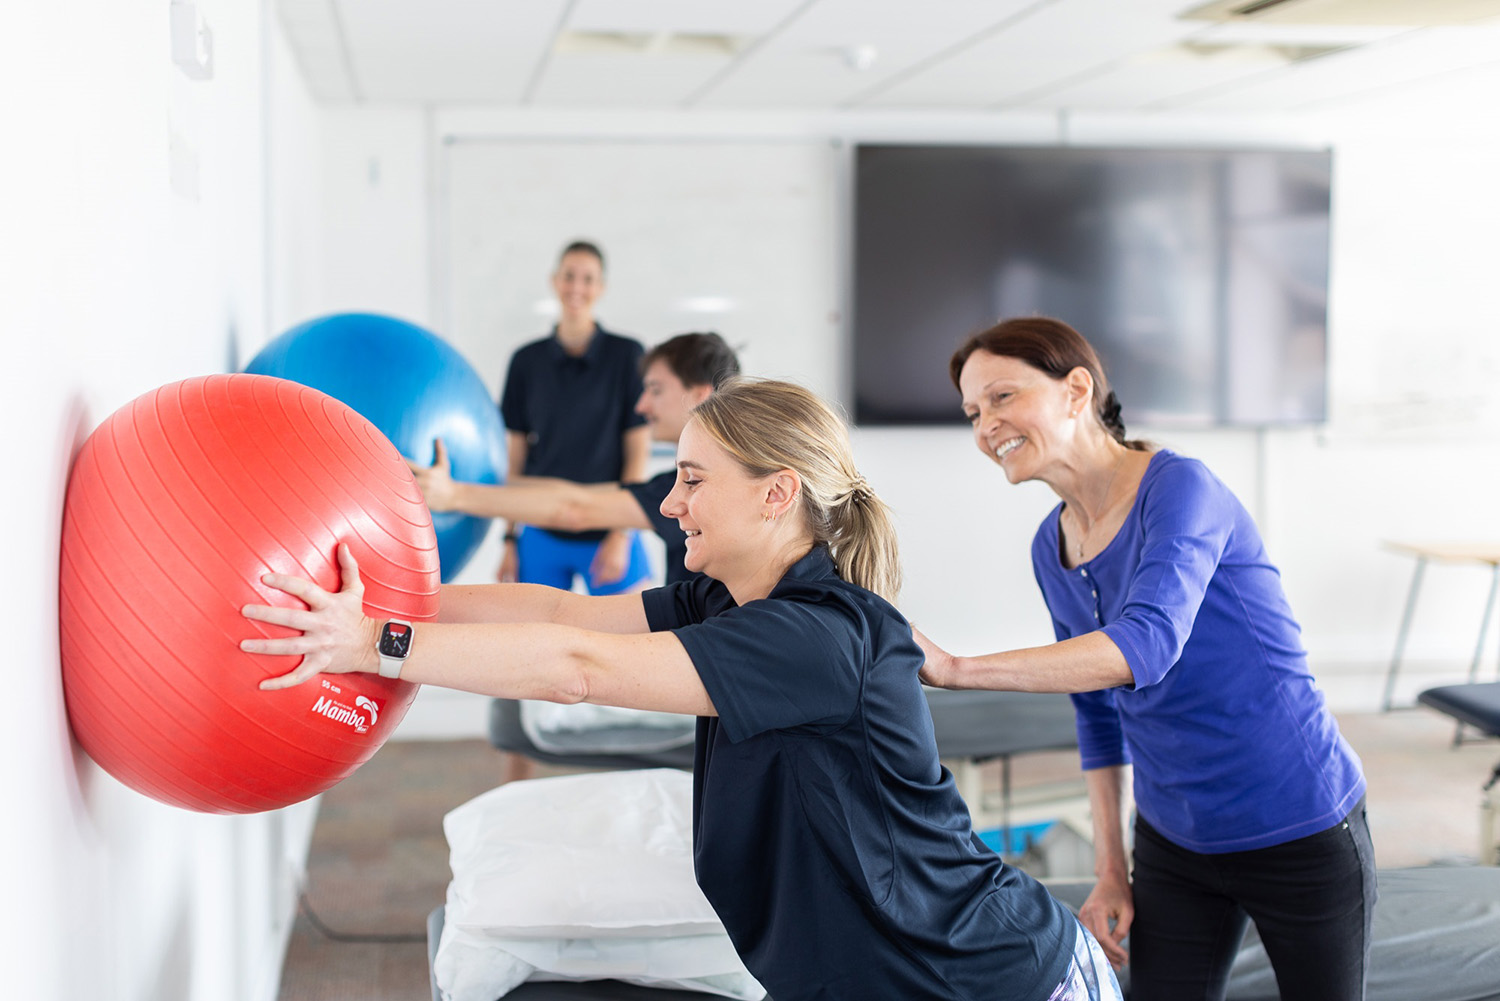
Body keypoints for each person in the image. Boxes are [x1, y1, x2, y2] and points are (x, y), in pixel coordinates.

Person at [242, 378, 1121, 1001]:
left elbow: (576, 669)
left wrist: (378, 644)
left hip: (996, 978)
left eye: (692, 481)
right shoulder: (728, 594)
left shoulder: (816, 636)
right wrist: (386, 602)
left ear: (777, 494)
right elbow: (560, 610)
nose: (669, 505)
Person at [915, 317, 1374, 1001]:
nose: (986, 425)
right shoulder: (1053, 544)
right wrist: (1110, 867)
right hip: (1174, 839)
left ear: (1076, 390)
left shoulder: (1182, 489)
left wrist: (955, 669)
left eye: (1003, 397)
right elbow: (1098, 713)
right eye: (973, 411)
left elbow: (1145, 646)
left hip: (1296, 822)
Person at [415, 332, 739, 586]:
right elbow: (576, 496)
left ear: (700, 395)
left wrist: (453, 495)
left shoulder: (703, 487)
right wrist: (473, 484)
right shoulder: (722, 469)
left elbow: (574, 509)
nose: (641, 407)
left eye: (655, 390)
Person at [497, 239, 652, 593]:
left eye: (587, 278)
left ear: (601, 288)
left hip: (608, 527)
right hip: (539, 528)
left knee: (633, 639)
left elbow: (637, 451)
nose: (577, 287)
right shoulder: (525, 361)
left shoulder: (627, 356)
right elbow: (515, 459)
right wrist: (508, 539)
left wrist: (621, 534)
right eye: (569, 276)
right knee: (537, 642)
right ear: (555, 281)